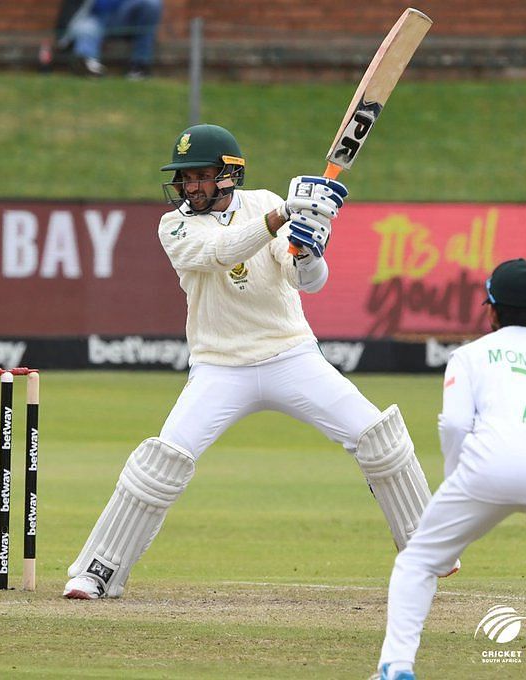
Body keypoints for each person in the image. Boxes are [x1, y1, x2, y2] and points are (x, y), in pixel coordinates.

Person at [63, 123, 458, 600]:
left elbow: (306, 281)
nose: (190, 187)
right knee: (162, 461)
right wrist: (285, 214)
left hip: (290, 354)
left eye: (200, 176)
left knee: (378, 438)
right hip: (219, 366)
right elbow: (217, 253)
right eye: (185, 178)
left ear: (230, 174)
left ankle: (427, 546)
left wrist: (309, 248)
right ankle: (98, 571)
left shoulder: (262, 202)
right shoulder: (176, 225)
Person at [371, 258, 526, 680]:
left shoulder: (468, 356)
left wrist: (456, 484)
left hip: (486, 473)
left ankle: (396, 668)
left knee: (419, 563)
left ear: (492, 310)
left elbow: (454, 425)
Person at [56, 0, 163, 79]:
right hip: (94, 17)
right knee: (85, 28)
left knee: (151, 2)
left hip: (124, 16)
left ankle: (140, 66)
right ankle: (88, 66)